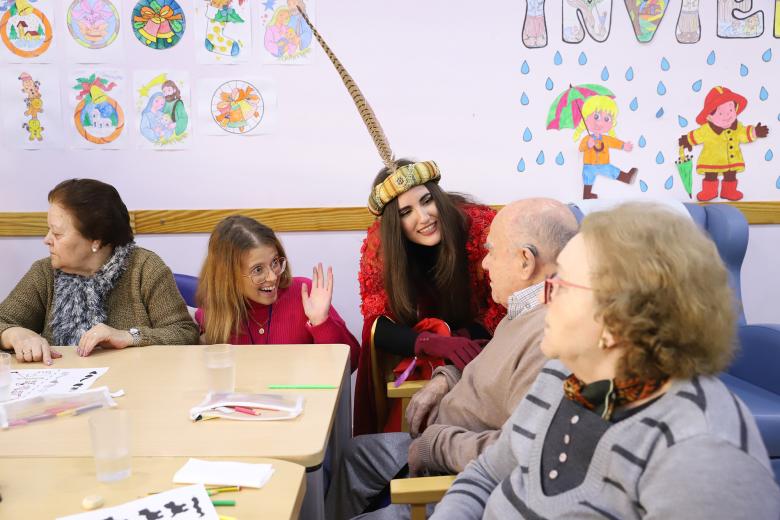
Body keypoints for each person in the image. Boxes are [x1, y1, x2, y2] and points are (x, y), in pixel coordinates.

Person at [432, 203, 780, 519]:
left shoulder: (703, 455)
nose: (546, 299)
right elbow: (485, 475)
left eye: (562, 286)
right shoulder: (562, 377)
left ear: (619, 320)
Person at [327, 199, 578, 520]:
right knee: (353, 455)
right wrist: (445, 378)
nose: (485, 264)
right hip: (441, 439)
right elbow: (490, 366)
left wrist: (437, 446)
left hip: (459, 475)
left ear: (525, 261)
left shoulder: (549, 337)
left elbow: (520, 454)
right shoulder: (521, 309)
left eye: (492, 251)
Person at [354, 159, 506, 435]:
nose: (423, 217)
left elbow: (504, 307)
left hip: (486, 346)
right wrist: (430, 342)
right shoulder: (381, 245)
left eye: (427, 201)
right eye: (406, 212)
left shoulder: (479, 226)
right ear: (392, 222)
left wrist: (461, 340)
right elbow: (376, 323)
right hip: (426, 350)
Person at [0, 179, 199, 364]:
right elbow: (3, 320)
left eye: (58, 233)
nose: (47, 239)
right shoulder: (44, 272)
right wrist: (14, 334)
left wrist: (129, 336)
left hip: (133, 384)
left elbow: (183, 332)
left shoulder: (144, 268)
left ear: (96, 240)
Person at [195, 215, 359, 371]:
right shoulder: (213, 315)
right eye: (258, 270)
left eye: (274, 262)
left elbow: (352, 363)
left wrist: (321, 323)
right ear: (228, 276)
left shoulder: (306, 294)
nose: (273, 277)